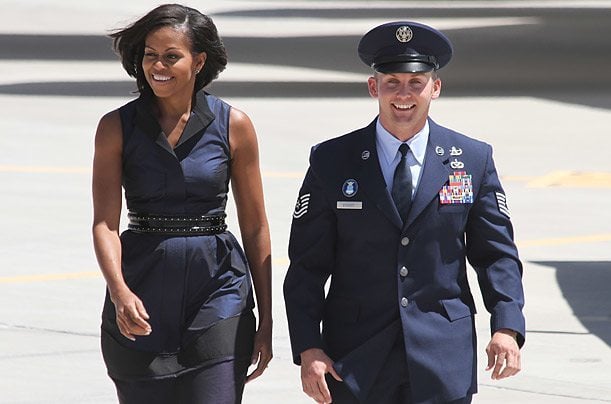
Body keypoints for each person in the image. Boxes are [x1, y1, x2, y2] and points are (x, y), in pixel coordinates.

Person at [284, 21, 525, 404]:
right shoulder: (332, 160)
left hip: (441, 355)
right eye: (392, 82)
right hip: (354, 358)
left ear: (436, 88)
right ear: (373, 87)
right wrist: (308, 348)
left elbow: (496, 254)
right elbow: (306, 267)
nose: (404, 94)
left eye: (416, 83)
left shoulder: (473, 159)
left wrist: (507, 326)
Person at [92, 4, 272, 403]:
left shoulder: (235, 125)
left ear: (199, 60)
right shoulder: (115, 127)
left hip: (219, 287)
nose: (158, 65)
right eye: (150, 55)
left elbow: (256, 227)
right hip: (142, 289)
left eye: (171, 56)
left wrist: (267, 319)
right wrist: (120, 292)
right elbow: (104, 224)